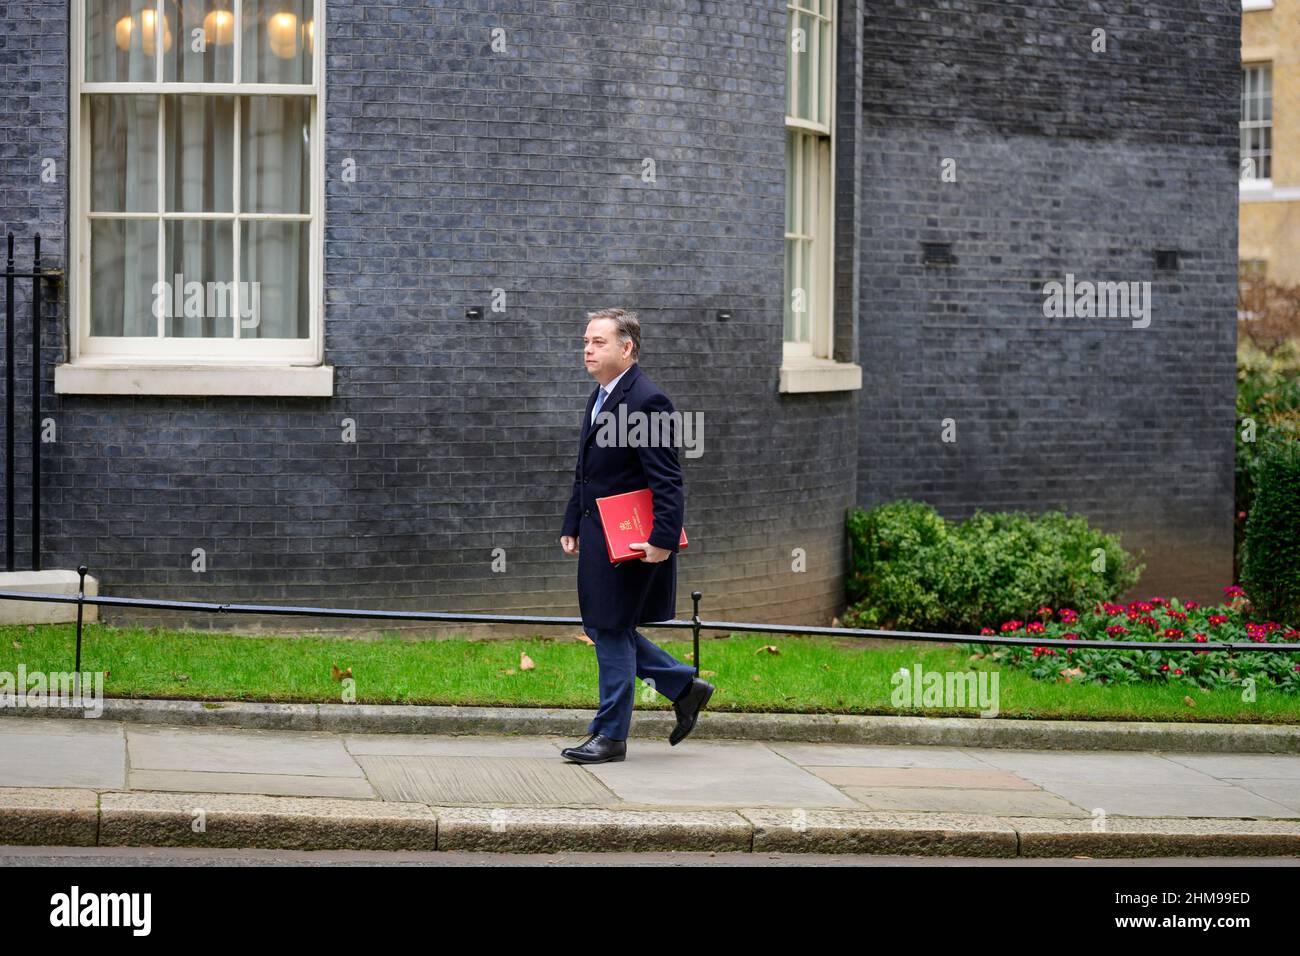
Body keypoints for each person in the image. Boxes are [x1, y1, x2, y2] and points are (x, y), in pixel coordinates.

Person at [558, 308, 714, 764]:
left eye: (598, 342)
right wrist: (571, 522)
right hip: (598, 534)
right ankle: (684, 687)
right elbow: (586, 472)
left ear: (627, 348)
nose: (587, 349)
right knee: (604, 624)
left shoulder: (648, 401)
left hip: (631, 542)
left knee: (607, 628)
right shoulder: (600, 396)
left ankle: (610, 736)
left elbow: (668, 479)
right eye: (586, 341)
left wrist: (662, 541)